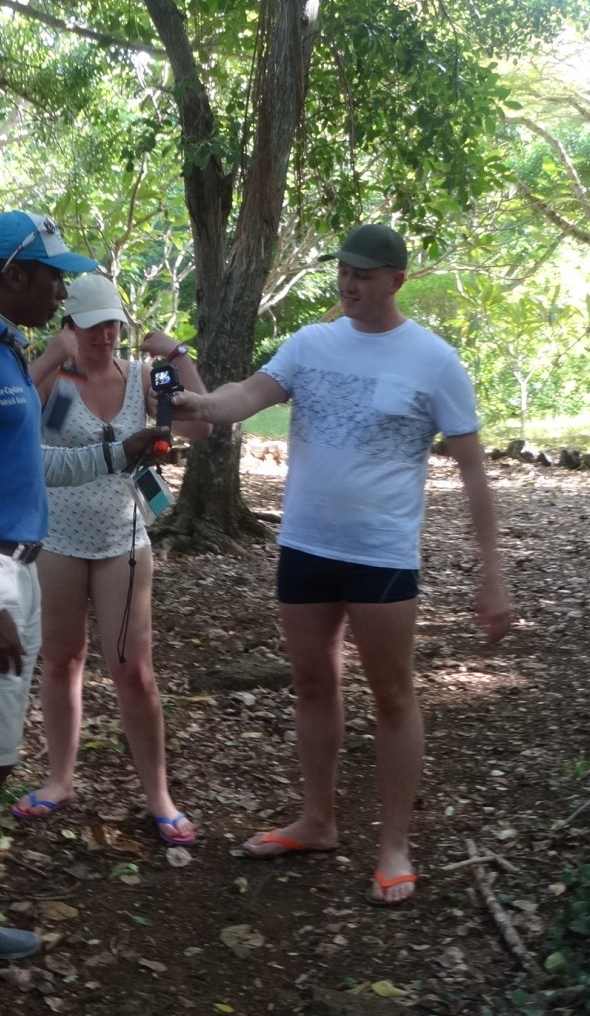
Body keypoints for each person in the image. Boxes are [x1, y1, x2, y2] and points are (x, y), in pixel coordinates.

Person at [172, 223, 513, 906]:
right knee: (310, 683)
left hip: (381, 553)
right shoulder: (312, 343)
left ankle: (393, 844)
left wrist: (492, 568)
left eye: (363, 273)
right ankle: (318, 819)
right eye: (344, 272)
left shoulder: (434, 360)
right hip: (305, 544)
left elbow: (474, 469)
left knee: (392, 693)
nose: (349, 284)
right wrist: (203, 403)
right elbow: (249, 395)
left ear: (397, 279)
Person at [0, 211, 168, 1014]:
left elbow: (30, 466)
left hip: (10, 568)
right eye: (51, 275)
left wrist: (122, 453)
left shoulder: (2, 350)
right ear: (13, 274)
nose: (59, 288)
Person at [11, 273, 212, 845]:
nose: (103, 335)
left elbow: (201, 422)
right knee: (62, 660)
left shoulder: (145, 378)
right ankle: (60, 780)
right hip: (59, 537)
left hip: (123, 538)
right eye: (91, 324)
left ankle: (159, 797)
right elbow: (7, 418)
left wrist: (176, 352)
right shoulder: (54, 379)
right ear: (70, 323)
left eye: (112, 325)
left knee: (133, 671)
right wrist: (52, 356)